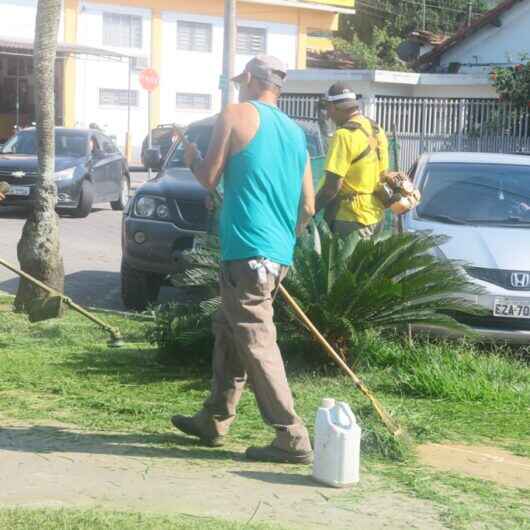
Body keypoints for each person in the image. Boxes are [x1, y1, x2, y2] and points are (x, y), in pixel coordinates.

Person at [171, 55, 315, 464]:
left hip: (246, 250)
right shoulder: (296, 133)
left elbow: (208, 178)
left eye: (240, 81)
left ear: (249, 80)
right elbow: (307, 205)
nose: (237, 87)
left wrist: (191, 159)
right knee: (229, 329)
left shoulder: (234, 115)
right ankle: (214, 418)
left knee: (254, 337)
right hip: (276, 252)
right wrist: (281, 248)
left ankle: (291, 435)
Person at [315, 82, 389, 239]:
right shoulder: (376, 129)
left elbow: (331, 188)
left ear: (334, 107)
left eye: (328, 108)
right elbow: (384, 173)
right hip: (376, 215)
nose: (328, 115)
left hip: (351, 219)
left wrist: (309, 211)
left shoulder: (344, 135)